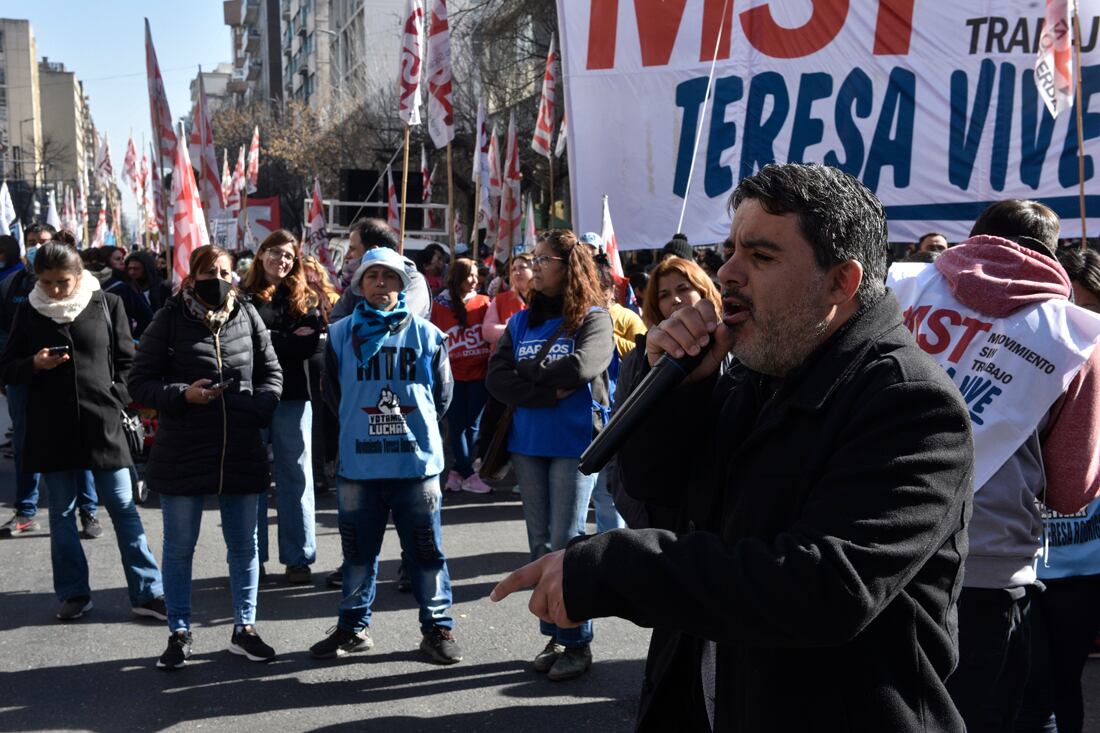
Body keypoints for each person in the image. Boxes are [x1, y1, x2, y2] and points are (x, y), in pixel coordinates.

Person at [491, 163, 974, 730]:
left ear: (841, 281)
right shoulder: (751, 371)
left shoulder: (907, 400)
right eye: (729, 250)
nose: (727, 274)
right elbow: (656, 505)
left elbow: (827, 588)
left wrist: (616, 567)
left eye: (761, 256)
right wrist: (674, 396)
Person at [888, 200, 1100, 732]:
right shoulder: (1076, 335)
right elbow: (1072, 491)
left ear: (975, 237)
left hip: (875, 550)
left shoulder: (895, 286)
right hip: (989, 568)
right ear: (1052, 255)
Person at [128, 244, 283, 670]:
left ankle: (244, 629)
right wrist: (183, 395)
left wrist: (260, 407)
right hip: (184, 451)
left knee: (245, 546)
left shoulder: (247, 314)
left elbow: (272, 371)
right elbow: (139, 382)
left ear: (234, 274)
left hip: (240, 448)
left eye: (224, 270)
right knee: (179, 548)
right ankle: (179, 631)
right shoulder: (169, 318)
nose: (217, 277)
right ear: (191, 276)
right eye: (207, 271)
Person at [310, 246, 463, 665]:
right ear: (360, 285)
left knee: (426, 553)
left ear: (402, 284)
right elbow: (332, 396)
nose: (381, 283)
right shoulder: (339, 335)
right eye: (372, 276)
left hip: (416, 466)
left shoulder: (429, 335)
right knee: (357, 554)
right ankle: (353, 627)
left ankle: (436, 627)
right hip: (359, 466)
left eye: (390, 277)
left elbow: (441, 397)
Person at [0, 242, 165, 621]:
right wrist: (33, 364)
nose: (55, 290)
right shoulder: (28, 309)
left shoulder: (107, 303)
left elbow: (128, 362)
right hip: (51, 428)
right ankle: (73, 593)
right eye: (47, 282)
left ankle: (147, 592)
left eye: (63, 281)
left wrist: (115, 398)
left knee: (124, 509)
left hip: (103, 423)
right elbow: (7, 367)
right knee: (62, 512)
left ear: (78, 275)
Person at [485, 229, 614, 681]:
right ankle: (556, 634)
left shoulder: (595, 319)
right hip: (527, 444)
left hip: (574, 445)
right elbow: (496, 378)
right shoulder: (520, 322)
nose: (534, 267)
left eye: (543, 259)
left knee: (568, 542)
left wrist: (528, 378)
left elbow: (582, 367)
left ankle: (577, 642)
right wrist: (546, 389)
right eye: (533, 259)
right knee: (540, 547)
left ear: (568, 265)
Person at [1016, 246, 1100, 733]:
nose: (1081, 323)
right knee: (1022, 689)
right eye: (1072, 308)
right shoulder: (1020, 364)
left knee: (1061, 686)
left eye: (1091, 310)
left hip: (1083, 568)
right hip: (1022, 566)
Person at [0, 229, 100, 539]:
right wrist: (20, 367)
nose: (37, 248)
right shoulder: (13, 284)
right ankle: (26, 511)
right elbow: (6, 337)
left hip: (70, 382)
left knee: (79, 443)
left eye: (43, 241)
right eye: (31, 243)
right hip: (26, 379)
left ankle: (89, 510)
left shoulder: (88, 290)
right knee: (25, 444)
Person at [612, 255, 722, 531]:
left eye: (683, 289)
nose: (674, 299)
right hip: (654, 520)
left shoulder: (735, 350)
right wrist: (637, 514)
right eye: (664, 294)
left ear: (704, 291)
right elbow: (620, 438)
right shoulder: (638, 360)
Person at [241, 230, 322, 584]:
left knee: (296, 477)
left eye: (289, 255)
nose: (281, 260)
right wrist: (285, 339)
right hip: (249, 396)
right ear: (261, 255)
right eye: (275, 252)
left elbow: (306, 348)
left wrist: (268, 339)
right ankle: (251, 557)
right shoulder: (241, 299)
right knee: (251, 479)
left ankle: (298, 557)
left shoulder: (306, 300)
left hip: (293, 398)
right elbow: (242, 344)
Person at [430, 257, 493, 493]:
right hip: (451, 376)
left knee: (473, 426)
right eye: (470, 275)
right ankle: (468, 473)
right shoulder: (438, 305)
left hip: (479, 373)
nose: (476, 280)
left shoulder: (485, 302)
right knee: (456, 426)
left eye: (477, 275)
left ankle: (458, 471)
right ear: (457, 277)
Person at [331, 219, 431, 319]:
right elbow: (336, 321)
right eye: (372, 276)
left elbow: (402, 323)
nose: (380, 283)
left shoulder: (413, 280)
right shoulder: (357, 285)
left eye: (352, 249)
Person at [483, 253, 533, 349]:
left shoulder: (545, 298)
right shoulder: (500, 300)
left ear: (534, 269)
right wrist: (523, 330)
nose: (517, 272)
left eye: (522, 268)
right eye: (514, 269)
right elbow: (488, 332)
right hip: (506, 360)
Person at [122, 251, 170, 338]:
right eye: (130, 269)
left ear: (146, 269)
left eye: (136, 269)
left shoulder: (162, 287)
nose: (132, 272)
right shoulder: (126, 289)